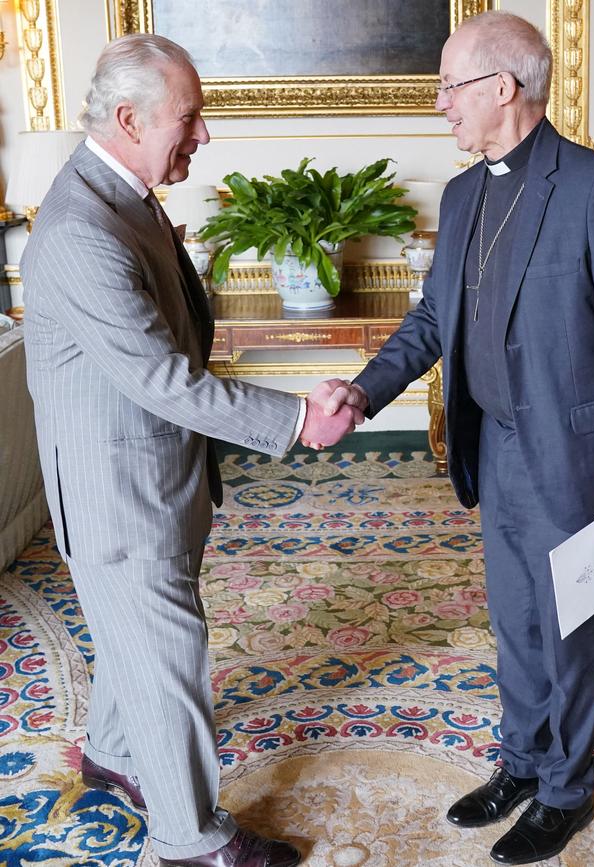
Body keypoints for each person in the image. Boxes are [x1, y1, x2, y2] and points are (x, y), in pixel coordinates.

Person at [308, 10, 594, 866]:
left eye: (450, 86)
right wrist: (364, 387)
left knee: (568, 624)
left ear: (504, 87)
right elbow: (433, 319)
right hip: (494, 447)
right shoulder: (464, 195)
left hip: (574, 455)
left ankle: (567, 788)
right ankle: (523, 762)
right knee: (514, 620)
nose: (439, 106)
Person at [20, 33, 361, 867]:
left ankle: (112, 751)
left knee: (136, 632)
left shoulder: (124, 195)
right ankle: (189, 837)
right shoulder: (81, 229)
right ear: (130, 118)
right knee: (169, 657)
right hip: (118, 492)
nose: (203, 135)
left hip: (149, 475)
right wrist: (293, 420)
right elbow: (166, 380)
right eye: (191, 116)